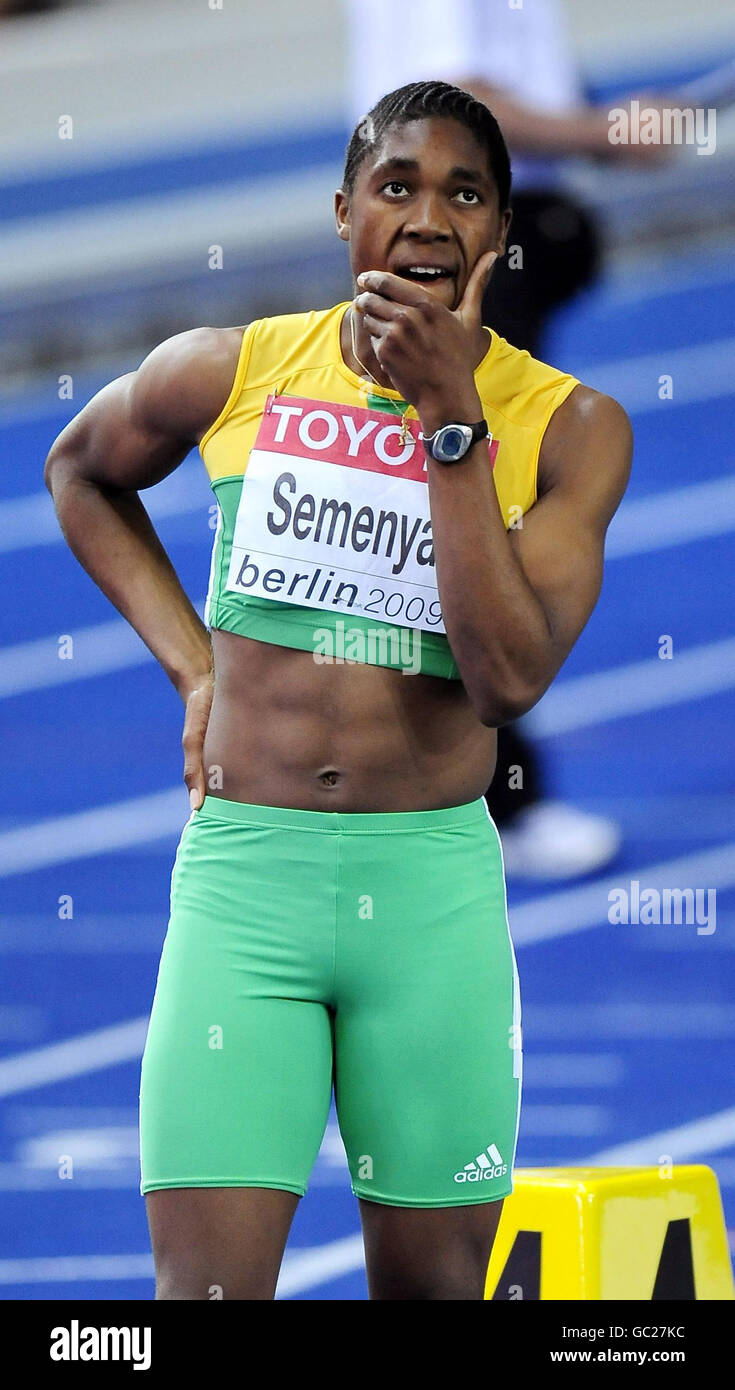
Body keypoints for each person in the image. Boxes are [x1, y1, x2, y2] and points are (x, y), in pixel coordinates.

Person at [44, 81, 632, 1301]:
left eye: (465, 191)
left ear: (501, 232)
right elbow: (80, 472)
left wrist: (451, 421)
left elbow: (507, 675)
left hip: (428, 902)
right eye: (398, 184)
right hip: (245, 888)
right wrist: (194, 665)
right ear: (343, 211)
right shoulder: (230, 370)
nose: (428, 214)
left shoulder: (569, 429)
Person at [345, 0, 669, 879]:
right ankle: (492, 803)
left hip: (487, 239)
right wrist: (595, 131)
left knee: (457, 514)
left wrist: (594, 115)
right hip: (465, 247)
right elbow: (450, 100)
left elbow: (505, 80)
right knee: (455, 520)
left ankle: (450, 791)